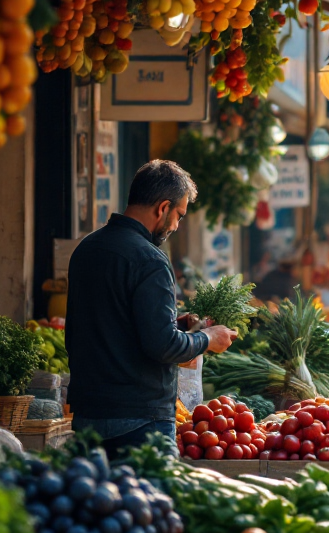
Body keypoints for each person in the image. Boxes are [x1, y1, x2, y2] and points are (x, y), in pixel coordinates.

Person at [67, 160, 239, 456]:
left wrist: (178, 324)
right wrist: (209, 339)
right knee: (148, 501)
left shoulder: (87, 248)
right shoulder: (151, 260)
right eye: (179, 216)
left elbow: (113, 322)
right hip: (138, 421)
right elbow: (163, 346)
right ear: (163, 208)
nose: (175, 226)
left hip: (87, 414)